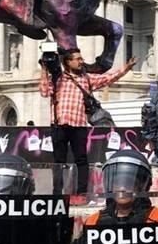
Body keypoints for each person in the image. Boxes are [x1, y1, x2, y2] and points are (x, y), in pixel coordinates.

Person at [38, 46, 136, 197]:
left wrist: (126, 68)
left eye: (81, 58)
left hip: (78, 124)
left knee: (81, 160)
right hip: (59, 124)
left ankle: (81, 193)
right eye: (77, 59)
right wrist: (44, 69)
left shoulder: (86, 78)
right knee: (59, 161)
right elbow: (44, 92)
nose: (81, 62)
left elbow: (108, 78)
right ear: (68, 62)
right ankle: (57, 194)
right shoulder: (58, 78)